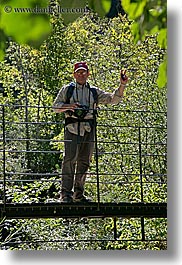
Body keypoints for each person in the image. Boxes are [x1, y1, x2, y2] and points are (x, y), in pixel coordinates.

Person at [53, 61, 128, 203]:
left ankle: (78, 195)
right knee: (69, 160)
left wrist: (122, 84)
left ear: (88, 74)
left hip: (88, 128)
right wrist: (71, 107)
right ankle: (65, 195)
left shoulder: (93, 91)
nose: (81, 74)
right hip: (72, 128)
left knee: (84, 162)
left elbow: (113, 99)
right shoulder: (67, 90)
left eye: (84, 72)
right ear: (74, 74)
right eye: (78, 72)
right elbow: (56, 107)